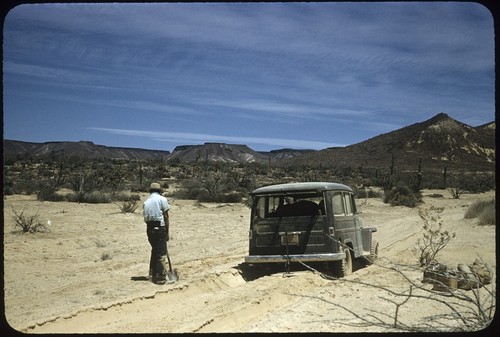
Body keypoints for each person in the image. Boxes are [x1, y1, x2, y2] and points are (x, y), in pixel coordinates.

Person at [143, 182, 171, 285]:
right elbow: (166, 217)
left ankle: (152, 275)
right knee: (161, 252)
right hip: (159, 227)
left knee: (154, 250)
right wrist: (167, 232)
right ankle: (160, 277)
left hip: (149, 228)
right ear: (160, 191)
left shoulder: (146, 202)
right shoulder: (162, 200)